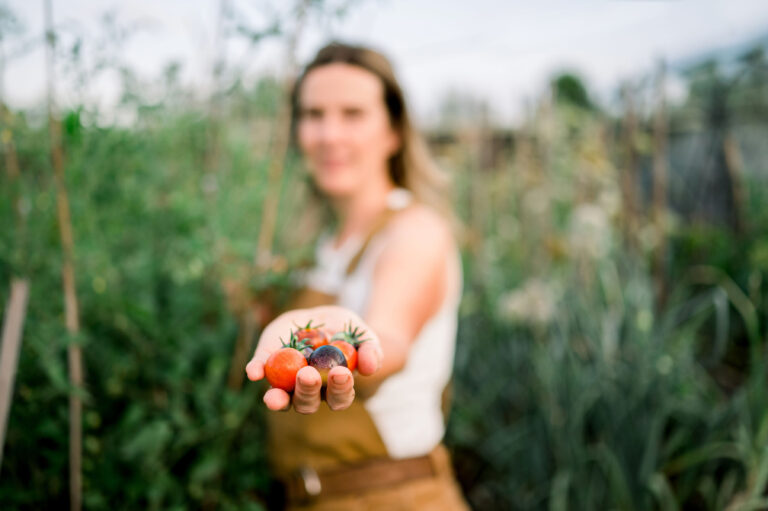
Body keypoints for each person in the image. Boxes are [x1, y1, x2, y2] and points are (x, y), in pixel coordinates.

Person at [245, 41, 467, 511]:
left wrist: (353, 350)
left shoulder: (415, 232)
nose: (328, 134)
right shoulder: (316, 245)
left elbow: (390, 339)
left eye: (352, 114)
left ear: (394, 132)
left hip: (396, 498)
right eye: (313, 114)